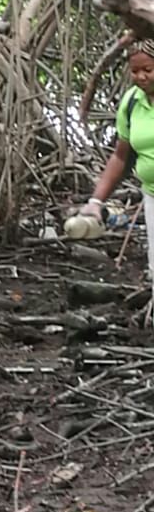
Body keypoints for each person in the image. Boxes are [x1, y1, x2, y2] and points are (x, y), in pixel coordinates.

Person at [77, 35, 154, 308]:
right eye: (135, 71)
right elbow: (121, 156)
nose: (141, 77)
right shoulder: (132, 102)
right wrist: (96, 202)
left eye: (149, 69)